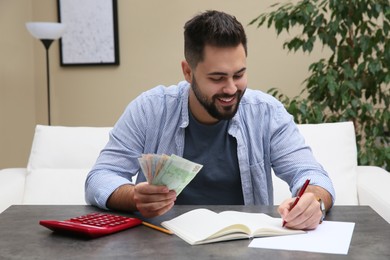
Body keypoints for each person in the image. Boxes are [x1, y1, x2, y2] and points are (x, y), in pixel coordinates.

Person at [85, 10, 335, 230]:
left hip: (246, 247)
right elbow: (100, 176)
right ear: (187, 72)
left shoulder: (266, 113)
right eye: (217, 78)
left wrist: (315, 201)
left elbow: (311, 173)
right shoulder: (150, 109)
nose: (231, 88)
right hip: (161, 246)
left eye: (239, 74)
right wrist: (134, 197)